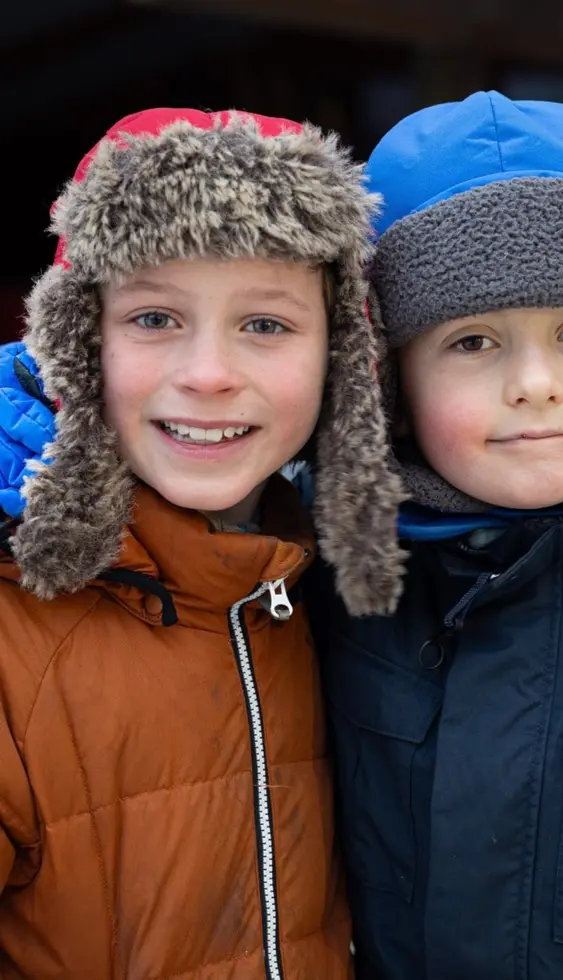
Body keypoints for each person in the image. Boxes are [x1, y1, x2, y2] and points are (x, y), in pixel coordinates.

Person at [4, 90, 563, 980]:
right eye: (473, 341)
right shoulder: (316, 591)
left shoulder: (291, 586)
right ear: (387, 379)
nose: (535, 384)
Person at [0, 105, 404, 977]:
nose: (209, 373)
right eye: (154, 319)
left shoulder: (334, 595)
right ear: (78, 341)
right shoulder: (13, 626)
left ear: (341, 359)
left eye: (265, 324)